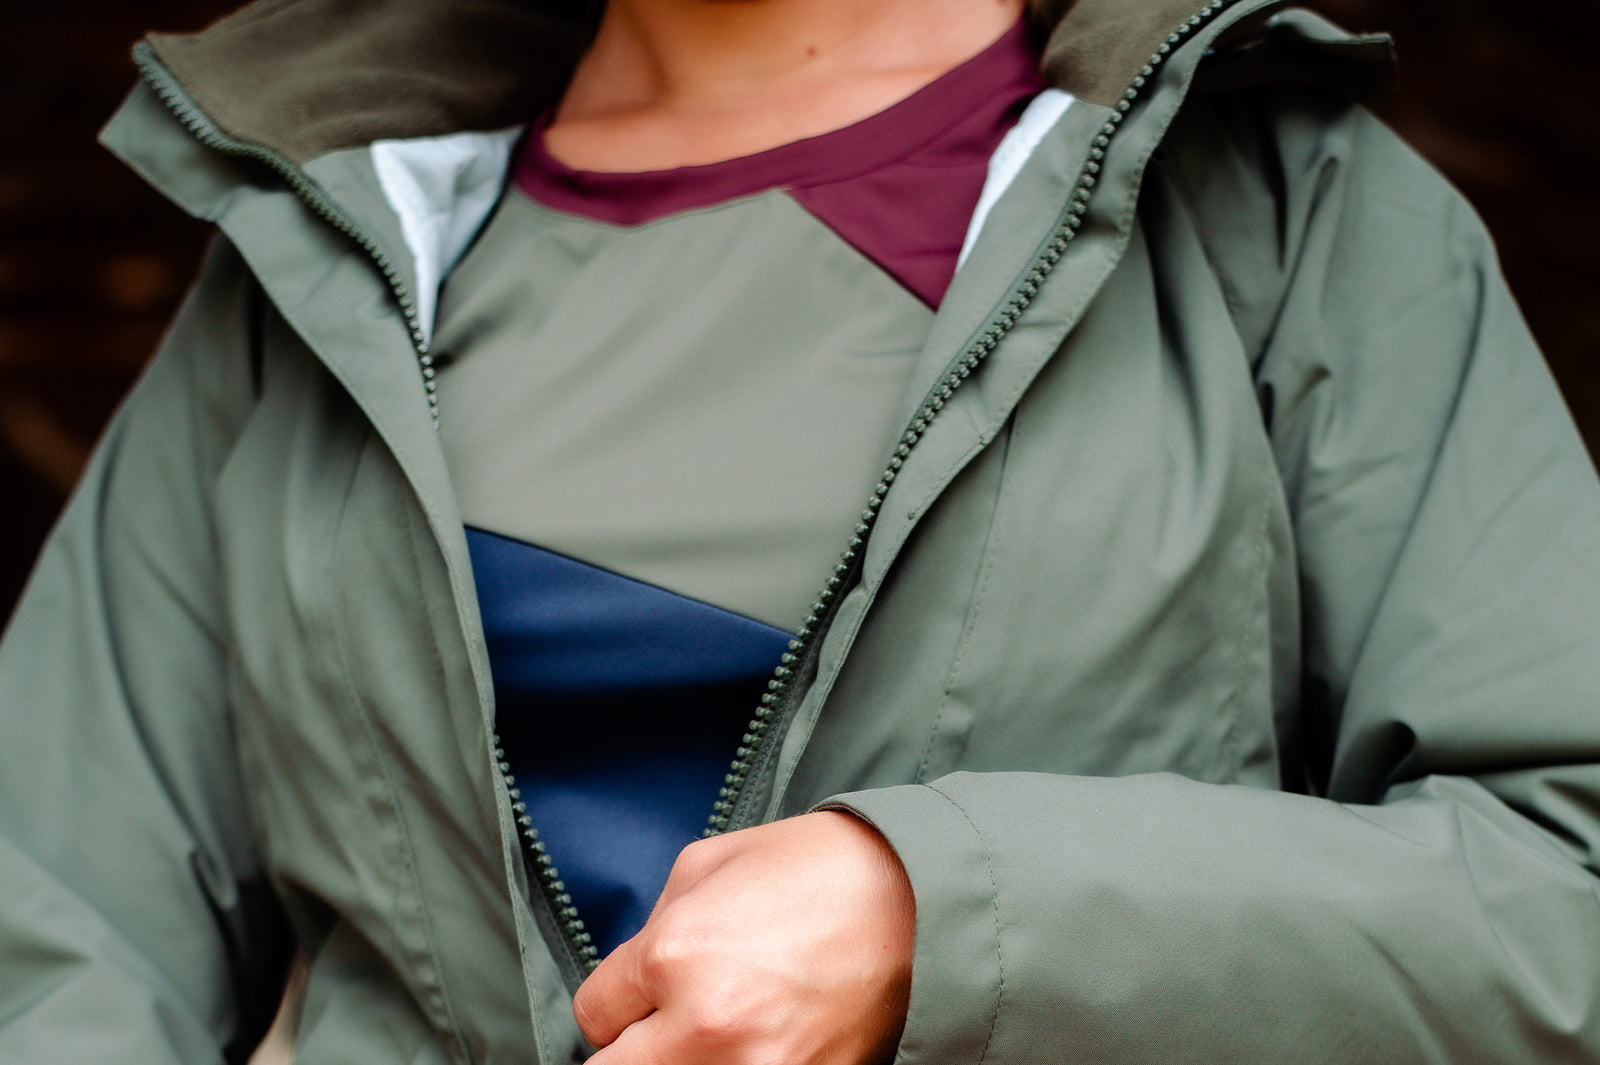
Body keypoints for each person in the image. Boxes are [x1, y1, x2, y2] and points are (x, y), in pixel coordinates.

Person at [2, 0, 1599, 1063]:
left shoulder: (1281, 209)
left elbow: (1564, 886)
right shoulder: (313, 255)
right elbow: (54, 924)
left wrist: (940, 914)